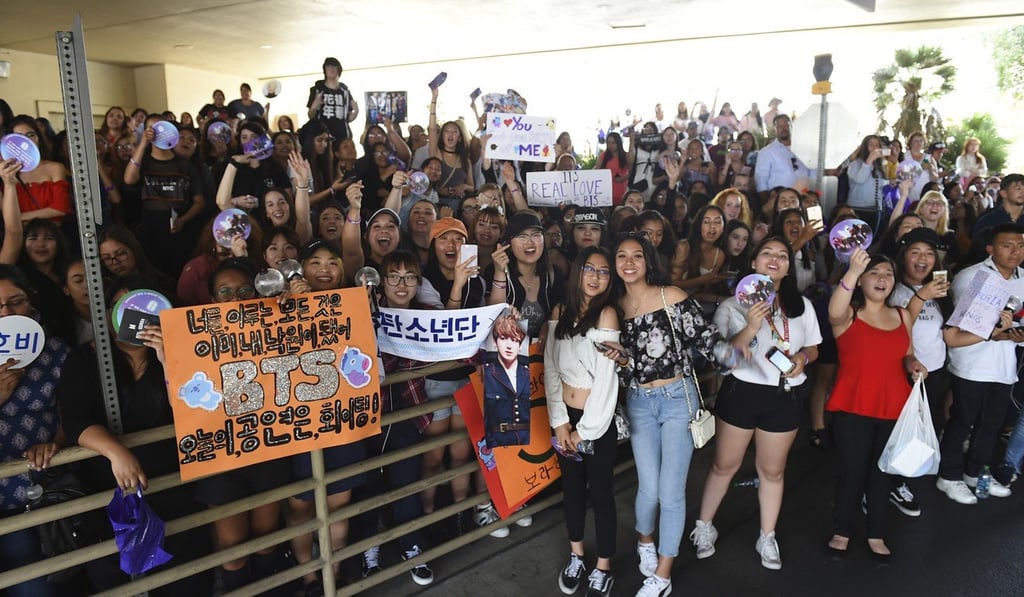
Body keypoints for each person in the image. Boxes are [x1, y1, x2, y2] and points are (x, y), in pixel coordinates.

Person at [56, 274, 214, 594]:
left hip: (174, 486)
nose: (136, 318)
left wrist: (168, 360)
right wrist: (117, 452)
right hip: (110, 488)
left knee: (183, 575)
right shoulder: (84, 358)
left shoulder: (182, 352)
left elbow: (191, 409)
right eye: (124, 307)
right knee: (115, 575)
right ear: (109, 312)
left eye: (145, 307)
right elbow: (74, 420)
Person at [601, 234, 722, 597]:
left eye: (637, 255)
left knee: (670, 491)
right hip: (639, 401)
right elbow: (622, 370)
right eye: (621, 256)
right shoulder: (614, 310)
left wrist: (746, 353)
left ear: (648, 260)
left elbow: (708, 341)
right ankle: (645, 541)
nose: (629, 262)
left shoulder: (672, 297)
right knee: (648, 487)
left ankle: (663, 575)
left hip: (677, 398)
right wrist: (622, 360)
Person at [694, 236, 821, 570]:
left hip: (784, 393)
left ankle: (767, 535)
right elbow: (721, 357)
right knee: (724, 465)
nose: (775, 259)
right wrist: (751, 326)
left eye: (782, 255)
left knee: (773, 470)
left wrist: (803, 360)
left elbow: (814, 348)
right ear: (753, 263)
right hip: (741, 392)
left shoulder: (800, 306)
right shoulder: (731, 305)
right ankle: (704, 526)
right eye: (767, 253)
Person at [191, 259, 292, 593]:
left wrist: (289, 311)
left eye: (244, 290)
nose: (235, 299)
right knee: (233, 552)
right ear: (212, 301)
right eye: (225, 292)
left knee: (266, 541)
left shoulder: (274, 326)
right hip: (220, 452)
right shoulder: (192, 339)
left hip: (267, 444)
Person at [826, 249, 926, 561]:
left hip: (894, 406)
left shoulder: (901, 314)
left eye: (888, 274)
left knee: (882, 474)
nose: (882, 279)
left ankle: (876, 532)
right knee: (852, 472)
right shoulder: (847, 316)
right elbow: (833, 309)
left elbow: (908, 352)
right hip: (853, 406)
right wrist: (853, 271)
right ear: (860, 280)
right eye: (875, 273)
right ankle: (841, 530)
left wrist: (914, 364)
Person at [352, 250, 435, 586]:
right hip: (368, 413)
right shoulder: (360, 314)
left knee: (407, 478)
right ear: (380, 282)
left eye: (410, 277)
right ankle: (369, 546)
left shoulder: (430, 317)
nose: (402, 285)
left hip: (408, 412)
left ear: (418, 282)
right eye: (394, 277)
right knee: (368, 483)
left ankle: (411, 543)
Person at [545, 247, 620, 597]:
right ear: (577, 272)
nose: (595, 276)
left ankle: (603, 566)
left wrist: (583, 431)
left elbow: (607, 381)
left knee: (602, 494)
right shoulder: (560, 312)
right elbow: (550, 367)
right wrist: (560, 422)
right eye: (589, 268)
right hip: (565, 419)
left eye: (604, 271)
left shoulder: (607, 316)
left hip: (597, 422)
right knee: (572, 491)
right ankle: (577, 556)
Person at [937, 223, 1024, 504]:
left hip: (1004, 365)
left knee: (992, 423)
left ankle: (975, 472)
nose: (1015, 252)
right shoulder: (971, 277)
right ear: (990, 248)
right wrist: (993, 332)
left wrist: (1016, 334)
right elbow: (960, 323)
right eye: (1007, 245)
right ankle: (948, 476)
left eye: (1020, 246)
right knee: (962, 421)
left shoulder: (1023, 278)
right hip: (972, 363)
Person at [0, 264, 69, 597]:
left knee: (31, 587)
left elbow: (73, 413)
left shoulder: (55, 352)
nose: (6, 312)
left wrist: (52, 445)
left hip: (32, 494)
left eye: (16, 301)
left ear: (31, 303)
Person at [754, 115, 813, 204]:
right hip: (780, 202)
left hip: (804, 199)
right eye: (779, 126)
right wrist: (769, 205)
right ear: (775, 129)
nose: (783, 128)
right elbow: (761, 182)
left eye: (786, 125)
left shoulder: (805, 149)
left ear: (792, 126)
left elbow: (813, 172)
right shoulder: (767, 152)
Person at [307, 57, 358, 142]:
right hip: (323, 136)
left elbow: (347, 118)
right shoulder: (317, 90)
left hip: (342, 136)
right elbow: (311, 116)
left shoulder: (345, 91)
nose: (331, 69)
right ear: (325, 70)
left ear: (339, 70)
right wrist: (314, 107)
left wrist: (356, 112)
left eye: (334, 67)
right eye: (328, 67)